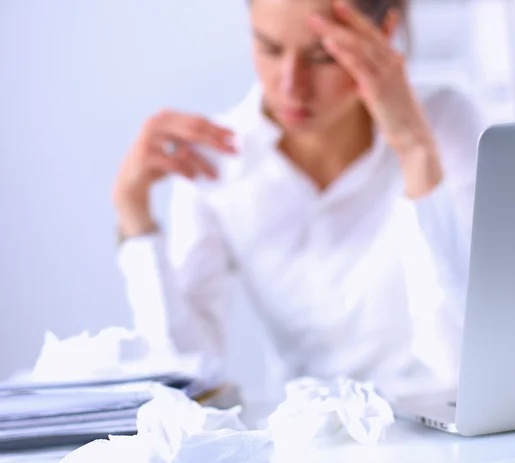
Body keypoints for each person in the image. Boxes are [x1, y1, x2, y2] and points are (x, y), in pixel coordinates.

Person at [113, 0, 485, 400]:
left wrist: (414, 150)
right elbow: (186, 377)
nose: (291, 85)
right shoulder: (214, 161)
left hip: (443, 430)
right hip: (308, 435)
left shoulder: (444, 123)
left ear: (383, 32)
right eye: (269, 49)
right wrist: (134, 216)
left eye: (323, 57)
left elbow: (467, 361)